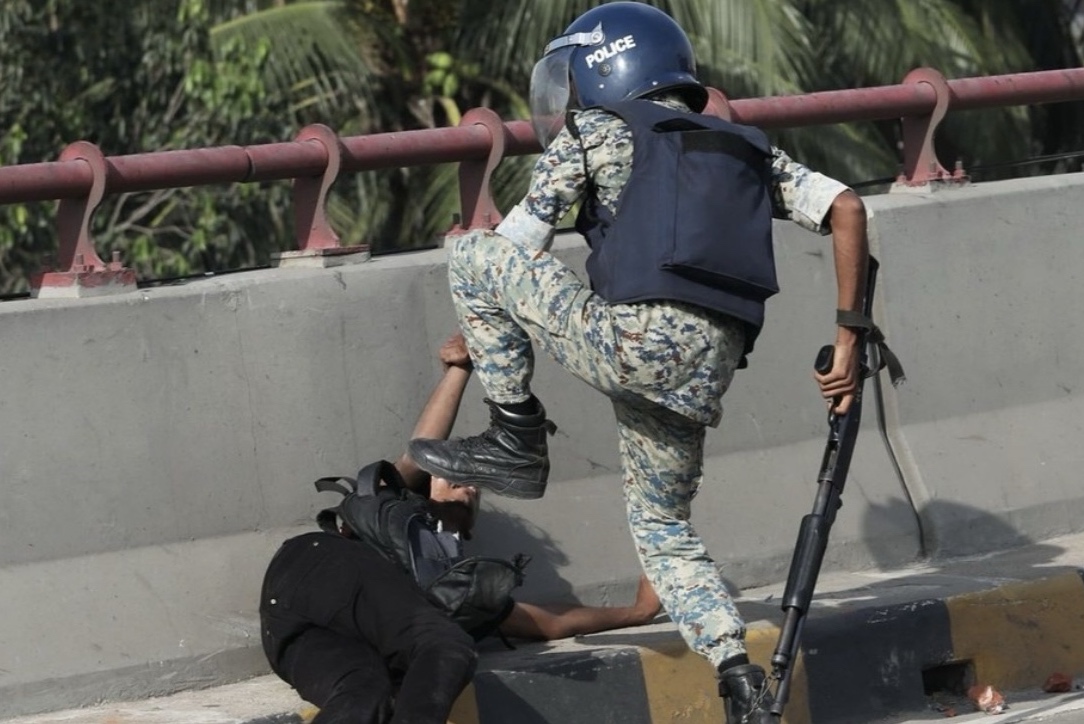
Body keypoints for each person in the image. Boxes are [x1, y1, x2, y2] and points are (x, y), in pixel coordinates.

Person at [406, 3, 877, 722]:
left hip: (630, 340)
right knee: (664, 530)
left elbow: (519, 240)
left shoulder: (595, 130)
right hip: (704, 371)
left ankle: (514, 434)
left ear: (602, 70)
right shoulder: (746, 150)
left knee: (472, 255)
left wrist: (486, 328)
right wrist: (848, 339)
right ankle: (737, 677)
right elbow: (847, 207)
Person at [259, 333, 662, 724]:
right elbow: (423, 445)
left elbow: (552, 622)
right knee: (448, 645)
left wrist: (636, 613)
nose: (467, 484)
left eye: (475, 487)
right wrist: (459, 370)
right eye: (456, 475)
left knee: (366, 695)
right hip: (317, 568)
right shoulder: (401, 508)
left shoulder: (460, 584)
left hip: (298, 637)